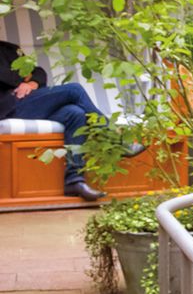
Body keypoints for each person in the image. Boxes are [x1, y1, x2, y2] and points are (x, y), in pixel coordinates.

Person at [0, 41, 144, 201]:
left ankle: (74, 180)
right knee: (74, 89)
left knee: (75, 114)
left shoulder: (9, 48)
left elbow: (39, 72)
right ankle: (114, 139)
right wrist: (23, 78)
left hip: (29, 102)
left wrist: (32, 82)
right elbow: (9, 76)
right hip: (7, 107)